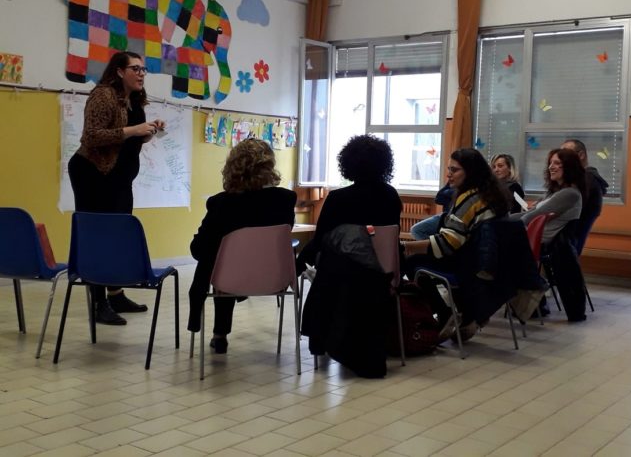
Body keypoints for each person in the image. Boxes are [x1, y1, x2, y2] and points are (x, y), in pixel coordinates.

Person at [68, 51, 165, 326]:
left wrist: (149, 131)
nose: (141, 74)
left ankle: (116, 294)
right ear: (120, 71)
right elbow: (91, 136)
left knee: (117, 236)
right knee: (98, 237)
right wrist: (134, 130)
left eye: (144, 69)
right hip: (93, 174)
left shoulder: (135, 99)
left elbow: (128, 140)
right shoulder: (103, 95)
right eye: (136, 69)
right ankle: (99, 303)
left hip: (119, 179)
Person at [188, 139, 296, 354]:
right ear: (269, 166)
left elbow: (198, 250)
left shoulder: (221, 203)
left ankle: (220, 335)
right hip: (273, 278)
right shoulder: (285, 199)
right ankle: (220, 333)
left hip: (229, 280)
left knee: (220, 261)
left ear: (232, 167)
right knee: (227, 260)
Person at [403, 148, 510, 340]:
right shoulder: (490, 194)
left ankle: (444, 313)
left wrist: (406, 247)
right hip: (486, 262)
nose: (448, 174)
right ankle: (468, 315)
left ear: (470, 172)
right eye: (448, 169)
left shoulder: (470, 199)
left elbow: (447, 244)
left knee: (412, 262)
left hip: (469, 265)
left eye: (454, 170)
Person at [295, 134, 403, 272]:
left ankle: (290, 276)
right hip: (383, 270)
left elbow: (320, 240)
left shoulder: (337, 198)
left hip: (342, 272)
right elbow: (392, 236)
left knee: (314, 247)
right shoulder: (391, 195)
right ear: (384, 164)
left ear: (348, 164)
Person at [513, 148, 586, 245]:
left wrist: (503, 223)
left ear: (569, 166)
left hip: (539, 244)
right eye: (550, 163)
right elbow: (529, 213)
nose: (550, 167)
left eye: (557, 163)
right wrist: (501, 218)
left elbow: (532, 216)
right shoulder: (553, 192)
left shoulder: (570, 193)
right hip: (531, 239)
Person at [561, 139, 609, 253]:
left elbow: (568, 209)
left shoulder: (587, 181)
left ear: (581, 155)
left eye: (566, 154)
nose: (561, 159)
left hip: (568, 243)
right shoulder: (580, 180)